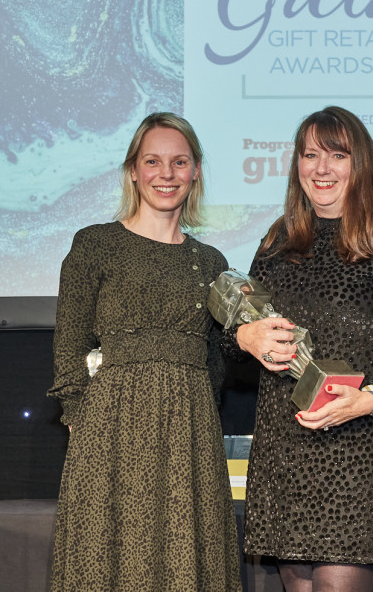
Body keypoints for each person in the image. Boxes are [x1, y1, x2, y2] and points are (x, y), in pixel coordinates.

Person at [219, 106, 373, 592]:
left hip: (359, 451)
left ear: (360, 164)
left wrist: (372, 397)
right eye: (310, 154)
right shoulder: (278, 239)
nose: (321, 167)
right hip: (287, 454)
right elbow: (237, 350)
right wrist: (244, 337)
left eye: (337, 154)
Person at [47, 112, 240, 591]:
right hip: (110, 428)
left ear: (195, 171)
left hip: (188, 431)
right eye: (153, 161)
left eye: (180, 162)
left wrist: (192, 406)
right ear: (133, 170)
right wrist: (81, 419)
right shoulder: (95, 245)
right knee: (108, 558)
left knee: (186, 557)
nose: (166, 174)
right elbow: (70, 344)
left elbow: (216, 359)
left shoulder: (211, 262)